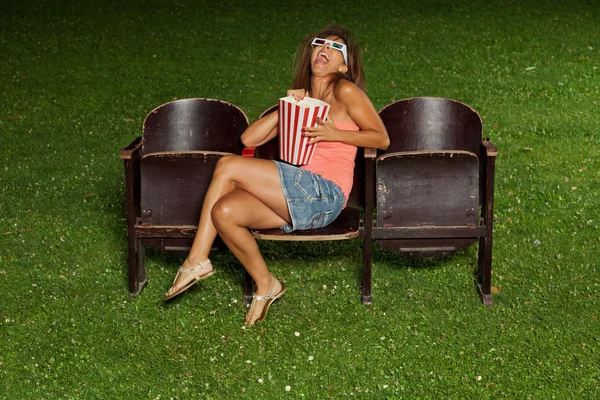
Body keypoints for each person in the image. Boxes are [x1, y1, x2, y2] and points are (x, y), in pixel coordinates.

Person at [164, 24, 390, 325]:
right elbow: (249, 140)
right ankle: (267, 284)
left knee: (228, 165)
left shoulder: (345, 90)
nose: (323, 49)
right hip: (298, 195)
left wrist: (335, 133)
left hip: (325, 194)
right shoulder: (302, 103)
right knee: (225, 211)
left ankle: (195, 261)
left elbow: (381, 138)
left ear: (344, 65)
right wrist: (284, 110)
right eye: (319, 43)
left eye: (335, 47)